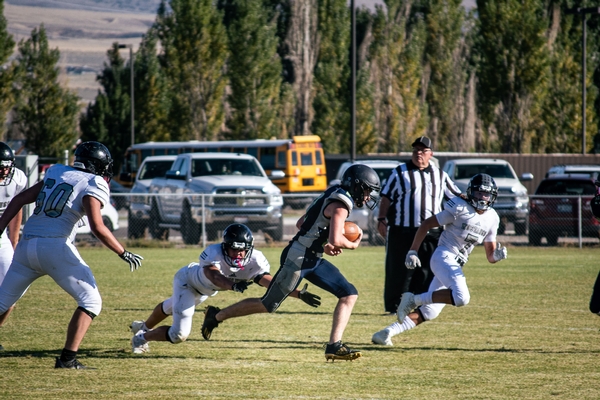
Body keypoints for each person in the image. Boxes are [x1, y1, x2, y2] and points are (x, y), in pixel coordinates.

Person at [200, 164, 381, 362]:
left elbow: (302, 223)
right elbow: (337, 239)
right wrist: (353, 244)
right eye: (366, 190)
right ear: (355, 185)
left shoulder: (332, 193)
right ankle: (215, 316)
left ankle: (334, 346)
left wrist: (322, 243)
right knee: (268, 304)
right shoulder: (340, 203)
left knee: (349, 293)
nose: (367, 196)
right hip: (299, 257)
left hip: (311, 256)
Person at [0, 141, 143, 369]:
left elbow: (19, 200)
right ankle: (67, 359)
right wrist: (122, 252)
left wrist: (0, 227)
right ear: (96, 165)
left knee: (2, 301)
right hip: (55, 247)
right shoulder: (93, 181)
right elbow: (97, 226)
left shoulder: (57, 171)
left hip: (27, 246)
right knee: (91, 301)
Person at [129, 223, 321, 353]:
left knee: (172, 306)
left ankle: (142, 327)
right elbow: (214, 275)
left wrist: (296, 293)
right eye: (234, 249)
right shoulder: (213, 252)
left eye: (242, 249)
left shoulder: (256, 260)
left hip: (204, 292)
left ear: (250, 248)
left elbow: (268, 281)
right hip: (187, 282)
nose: (238, 254)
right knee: (179, 334)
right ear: (225, 247)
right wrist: (233, 285)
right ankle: (141, 337)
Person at [372, 173, 508, 346]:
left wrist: (496, 256)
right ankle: (414, 299)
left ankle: (386, 333)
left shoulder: (492, 217)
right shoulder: (460, 208)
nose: (482, 197)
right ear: (471, 192)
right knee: (461, 298)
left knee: (430, 312)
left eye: (486, 194)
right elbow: (426, 224)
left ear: (492, 196)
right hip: (443, 256)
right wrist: (412, 251)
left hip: (457, 263)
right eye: (479, 193)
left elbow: (490, 255)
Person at [377, 136, 461, 315]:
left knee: (427, 269)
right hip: (403, 230)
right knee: (399, 269)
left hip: (432, 233)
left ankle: (420, 303)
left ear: (431, 154)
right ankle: (394, 306)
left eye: (423, 151)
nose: (418, 154)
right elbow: (385, 197)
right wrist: (381, 219)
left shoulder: (440, 175)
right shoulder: (399, 173)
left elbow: (456, 196)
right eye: (415, 151)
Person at [0, 143, 28, 351]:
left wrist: (14, 238)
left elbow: (16, 206)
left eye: (6, 166)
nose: (4, 171)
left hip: (1, 239)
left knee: (12, 290)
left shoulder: (17, 178)